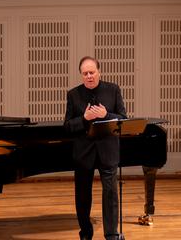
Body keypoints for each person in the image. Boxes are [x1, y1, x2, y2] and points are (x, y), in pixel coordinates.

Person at [64, 56, 126, 240]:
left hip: (108, 151)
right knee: (82, 195)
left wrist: (107, 114)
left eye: (92, 72)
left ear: (99, 71)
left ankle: (112, 234)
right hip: (84, 153)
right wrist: (85, 119)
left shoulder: (113, 90)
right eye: (85, 73)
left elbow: (123, 118)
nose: (89, 76)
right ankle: (85, 233)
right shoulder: (73, 94)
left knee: (110, 194)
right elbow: (67, 126)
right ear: (81, 75)